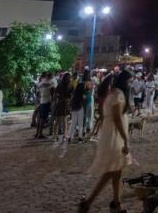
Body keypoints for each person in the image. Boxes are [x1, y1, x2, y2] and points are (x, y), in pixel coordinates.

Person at [80, 71, 132, 212]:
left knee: (117, 170)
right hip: (115, 136)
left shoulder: (112, 93)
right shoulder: (118, 95)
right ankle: (88, 202)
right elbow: (117, 119)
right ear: (124, 82)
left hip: (111, 134)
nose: (130, 84)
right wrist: (126, 139)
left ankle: (116, 203)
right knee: (110, 171)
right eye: (129, 81)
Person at [53, 72, 72, 142]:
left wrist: (56, 100)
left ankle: (55, 136)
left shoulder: (59, 84)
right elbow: (70, 96)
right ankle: (64, 136)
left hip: (59, 103)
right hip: (65, 103)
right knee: (65, 120)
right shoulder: (68, 85)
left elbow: (55, 94)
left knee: (58, 121)